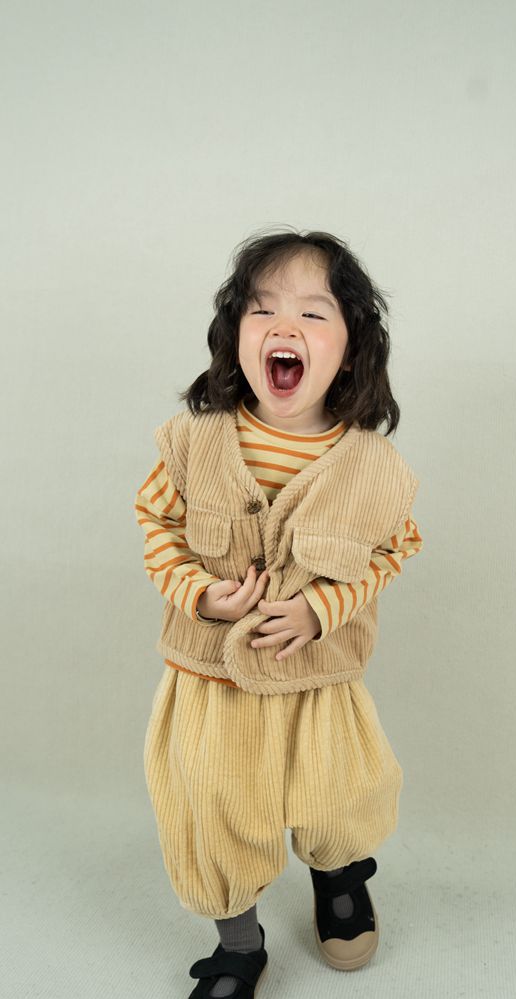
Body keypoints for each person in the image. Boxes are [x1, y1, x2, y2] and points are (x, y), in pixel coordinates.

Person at [134, 228, 423, 999]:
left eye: (312, 313)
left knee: (336, 795)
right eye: (261, 310)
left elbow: (393, 549)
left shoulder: (373, 467)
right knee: (215, 809)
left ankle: (340, 874)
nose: (282, 326)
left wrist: (323, 609)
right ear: (236, 335)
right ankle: (239, 943)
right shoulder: (193, 442)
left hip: (317, 678)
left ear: (352, 352)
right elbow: (156, 523)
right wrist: (196, 591)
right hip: (212, 682)